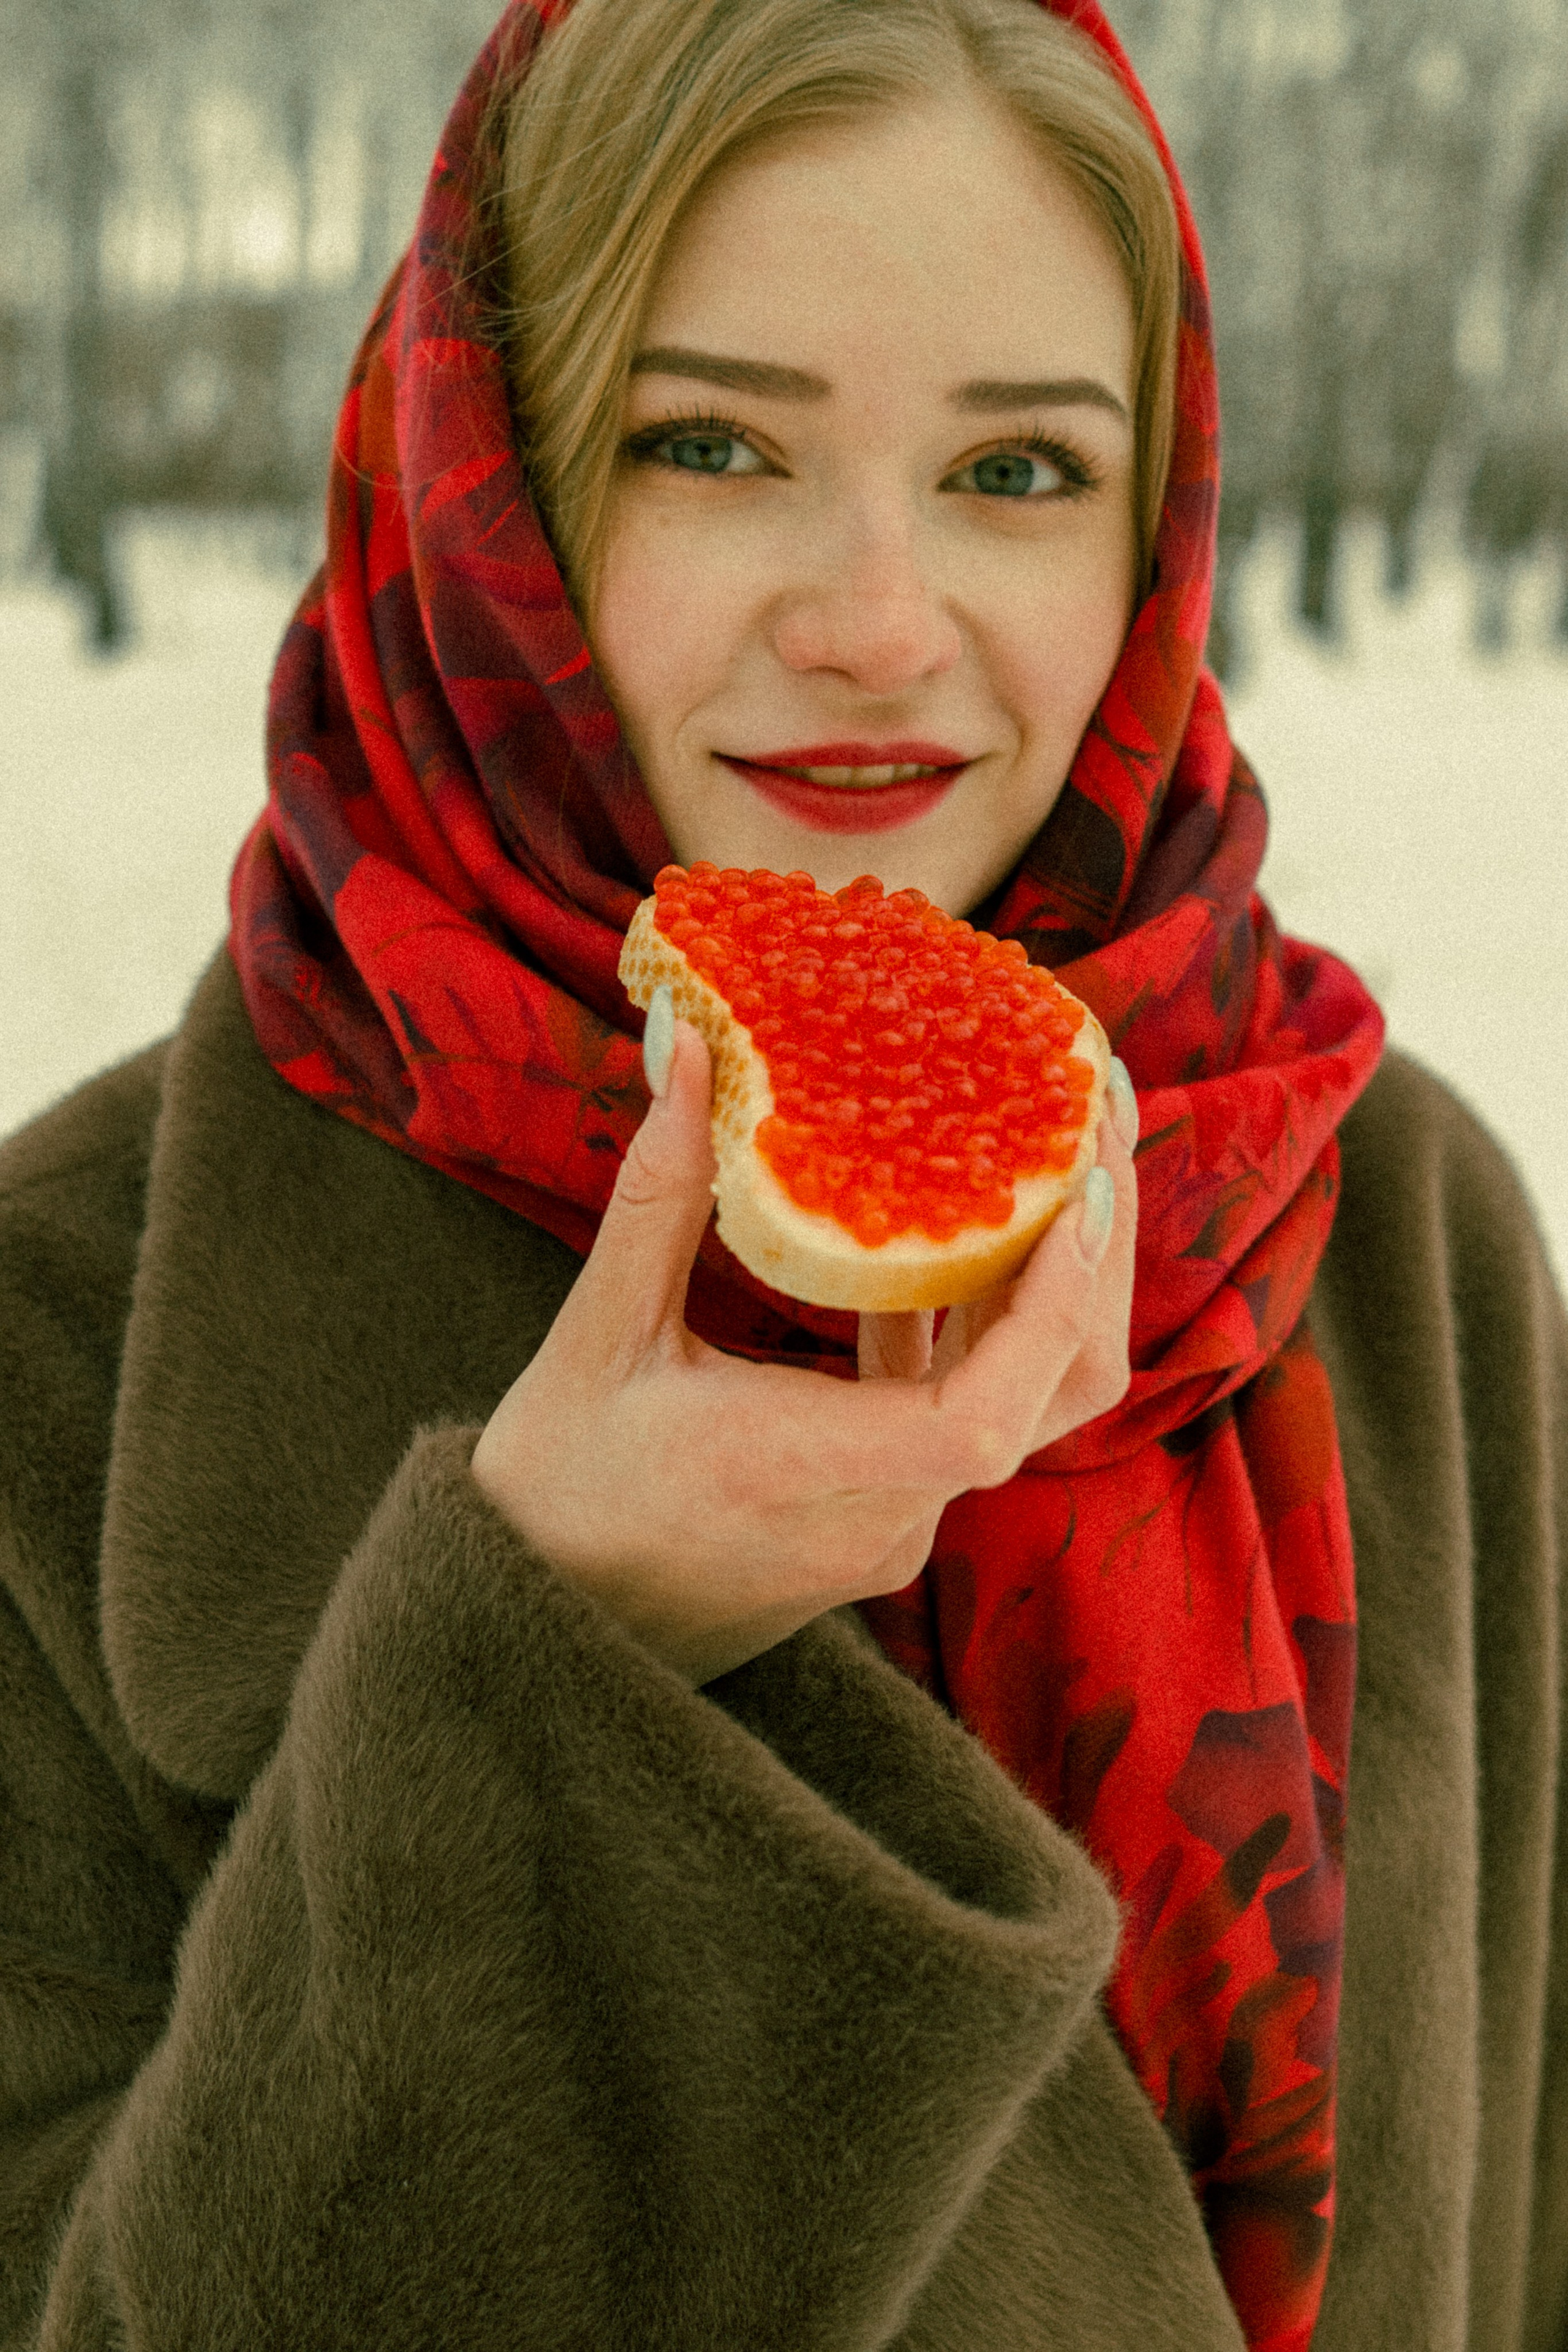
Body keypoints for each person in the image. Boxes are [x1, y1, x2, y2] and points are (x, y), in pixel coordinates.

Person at [1, 0, 1564, 2345]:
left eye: (1018, 472)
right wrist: (561, 1672)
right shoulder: (60, 1334)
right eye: (708, 441)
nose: (874, 625)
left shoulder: (1399, 1226)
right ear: (484, 478)